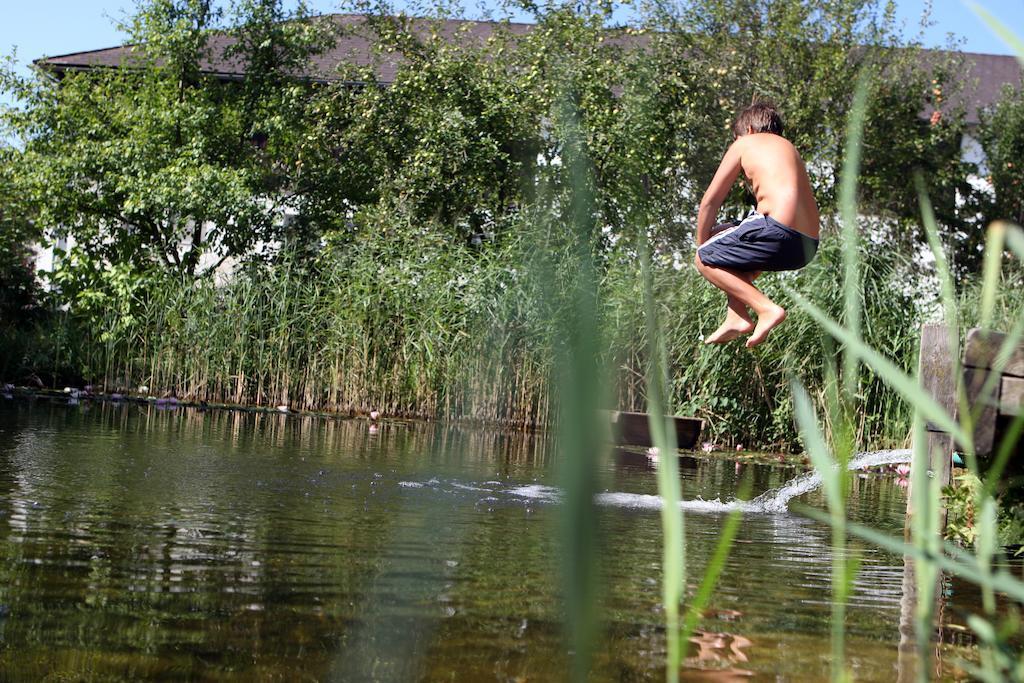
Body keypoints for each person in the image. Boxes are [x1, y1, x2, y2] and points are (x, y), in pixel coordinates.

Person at [694, 102, 820, 348]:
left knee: (706, 255)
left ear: (748, 130)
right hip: (806, 246)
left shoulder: (745, 143)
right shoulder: (790, 149)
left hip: (776, 230)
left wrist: (704, 250)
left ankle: (766, 309)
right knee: (726, 241)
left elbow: (710, 201)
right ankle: (737, 315)